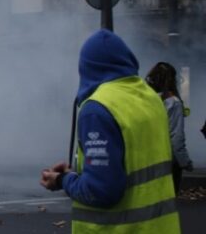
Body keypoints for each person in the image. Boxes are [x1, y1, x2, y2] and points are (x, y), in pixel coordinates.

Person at [40, 30, 180, 232]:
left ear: (86, 68)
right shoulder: (150, 98)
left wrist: (63, 180)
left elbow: (101, 191)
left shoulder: (97, 109)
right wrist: (80, 174)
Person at [145, 62, 194, 193]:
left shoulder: (144, 100)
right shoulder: (174, 103)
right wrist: (185, 162)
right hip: (167, 161)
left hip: (145, 159)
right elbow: (176, 137)